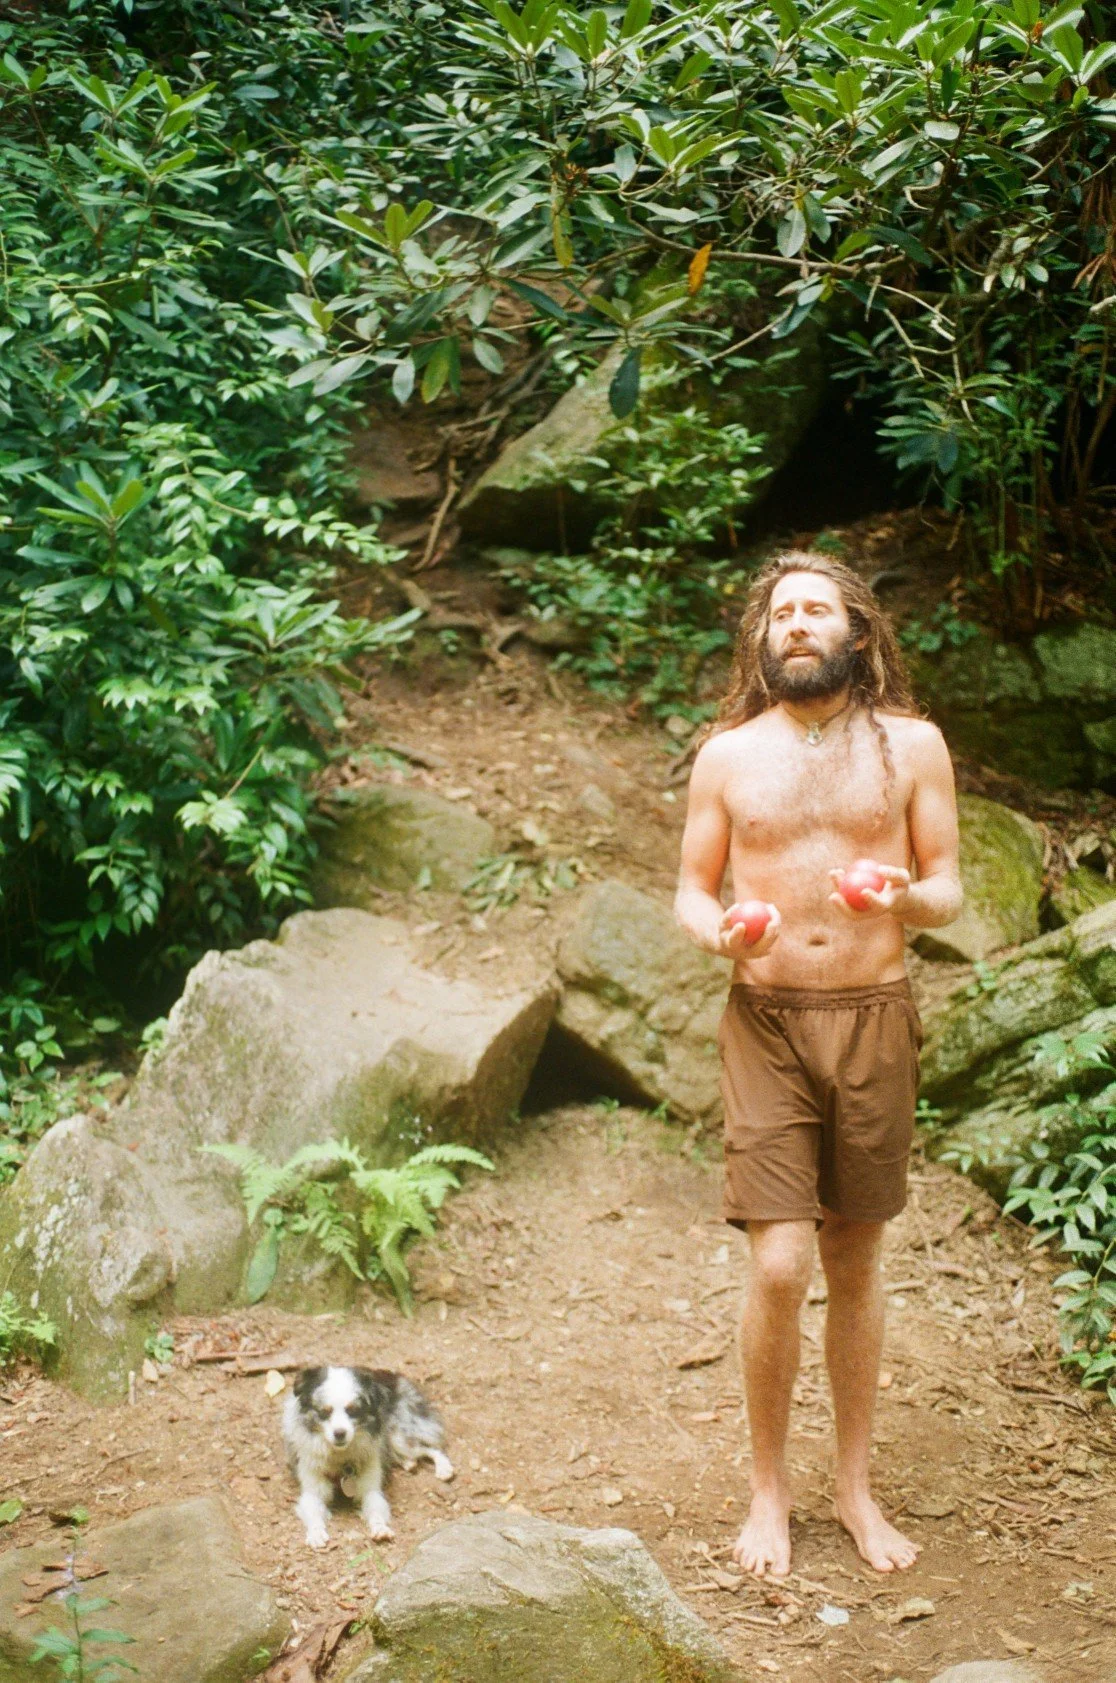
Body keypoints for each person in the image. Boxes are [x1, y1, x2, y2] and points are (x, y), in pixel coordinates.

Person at [673, 551, 962, 1580]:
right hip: (768, 1022)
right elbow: (692, 896)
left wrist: (897, 895)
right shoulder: (727, 757)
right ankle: (768, 1492)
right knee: (782, 1262)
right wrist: (724, 935)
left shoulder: (914, 749)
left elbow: (948, 892)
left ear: (857, 632)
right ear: (762, 639)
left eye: (816, 610)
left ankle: (852, 1488)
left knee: (855, 1258)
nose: (797, 624)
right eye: (780, 612)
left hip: (874, 1017)